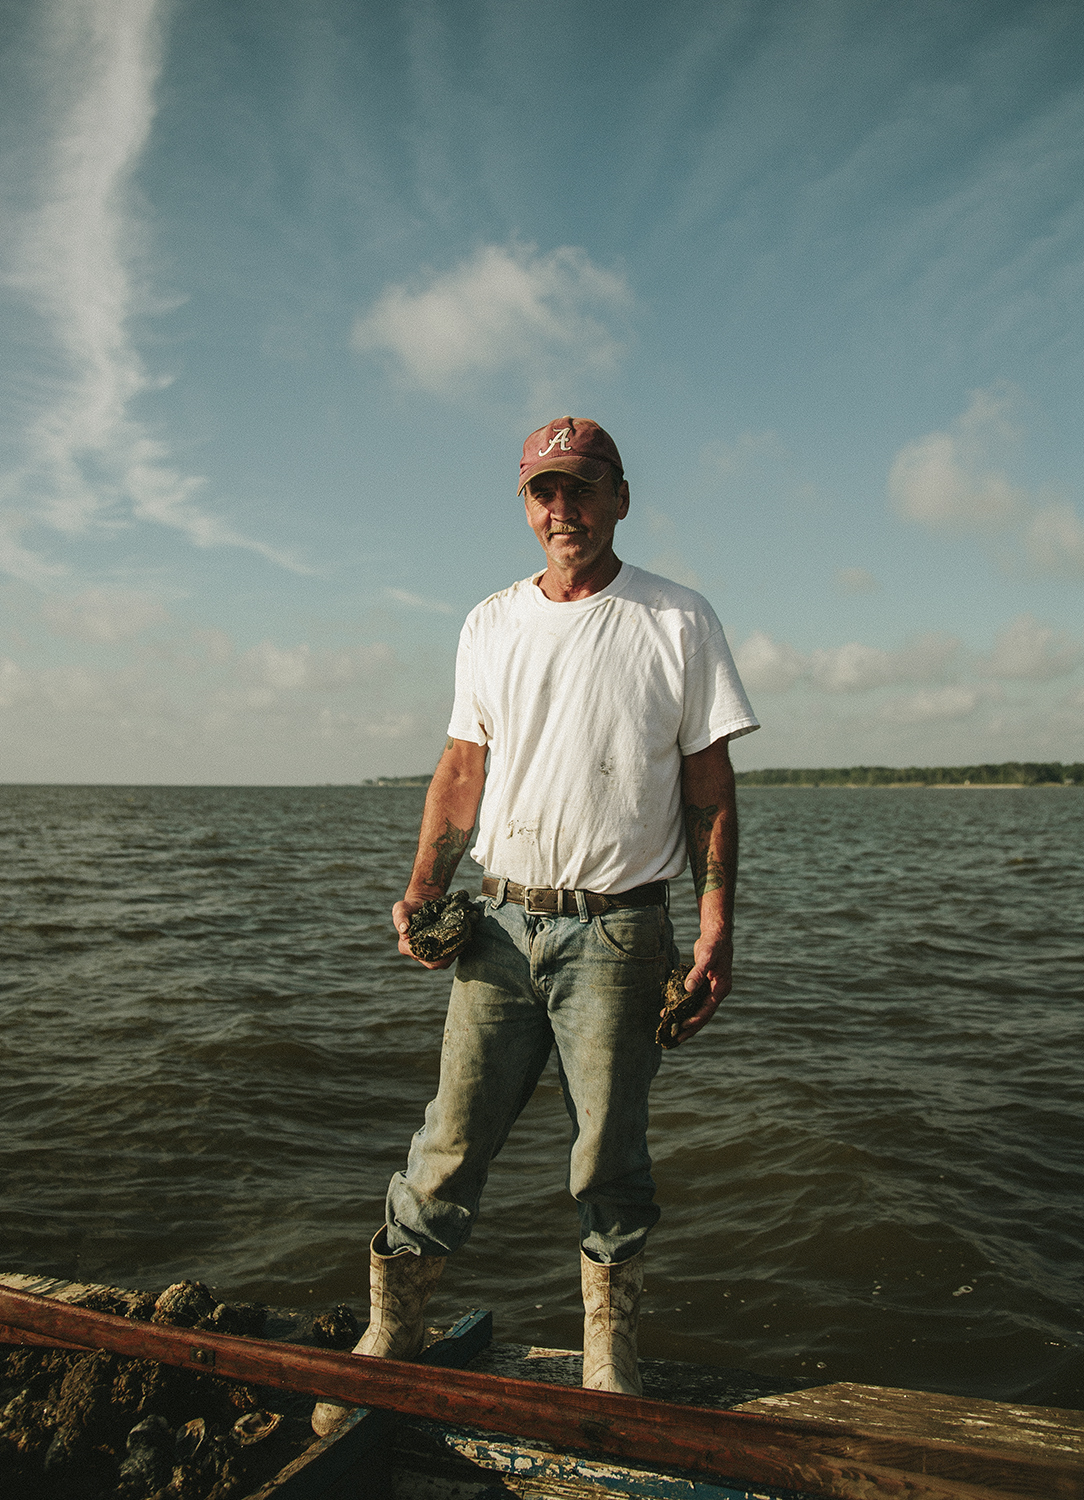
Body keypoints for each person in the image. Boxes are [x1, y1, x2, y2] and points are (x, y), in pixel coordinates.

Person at [313, 416, 758, 1433]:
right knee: (448, 1144)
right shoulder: (489, 623)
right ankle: (391, 1336)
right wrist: (424, 887)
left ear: (621, 497)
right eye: (544, 492)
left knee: (609, 1156)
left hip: (618, 932)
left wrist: (714, 923)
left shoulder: (677, 620)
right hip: (497, 929)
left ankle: (609, 1355)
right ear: (526, 505)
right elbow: (463, 769)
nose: (564, 510)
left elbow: (708, 784)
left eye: (584, 488)